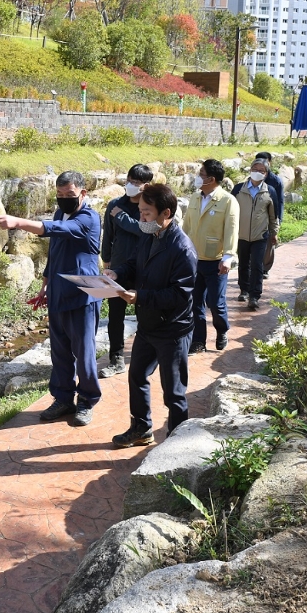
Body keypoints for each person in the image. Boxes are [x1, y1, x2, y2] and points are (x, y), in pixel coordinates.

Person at [0, 171, 102, 427]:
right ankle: (63, 399)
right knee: (60, 352)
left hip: (82, 296)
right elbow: (54, 251)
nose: (64, 199)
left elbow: (55, 230)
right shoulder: (59, 212)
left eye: (70, 195)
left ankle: (87, 401)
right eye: (60, 195)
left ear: (83, 193)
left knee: (84, 353)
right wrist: (45, 284)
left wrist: (18, 222)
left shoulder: (89, 218)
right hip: (58, 293)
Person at [103, 183, 197, 447]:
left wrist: (140, 297)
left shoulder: (182, 249)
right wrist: (117, 273)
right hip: (147, 325)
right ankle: (141, 428)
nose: (141, 218)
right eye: (140, 212)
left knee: (174, 392)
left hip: (172, 330)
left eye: (146, 213)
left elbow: (179, 295)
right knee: (136, 376)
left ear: (165, 213)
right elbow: (135, 263)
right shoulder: (149, 235)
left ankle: (177, 445)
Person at [99, 164, 153, 378]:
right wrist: (106, 262)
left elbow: (146, 231)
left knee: (145, 314)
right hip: (118, 270)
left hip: (144, 269)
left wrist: (123, 218)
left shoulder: (148, 206)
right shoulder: (114, 205)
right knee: (115, 317)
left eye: (136, 183)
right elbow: (108, 237)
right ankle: (116, 358)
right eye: (129, 180)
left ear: (146, 186)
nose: (130, 185)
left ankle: (146, 356)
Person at [182, 159, 239, 353]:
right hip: (194, 260)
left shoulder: (228, 200)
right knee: (195, 302)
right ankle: (198, 341)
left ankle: (222, 330)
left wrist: (228, 256)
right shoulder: (195, 198)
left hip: (216, 261)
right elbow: (186, 227)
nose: (198, 178)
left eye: (202, 174)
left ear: (212, 179)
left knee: (215, 302)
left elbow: (232, 229)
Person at [232, 159, 280, 311]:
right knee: (243, 263)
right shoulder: (239, 189)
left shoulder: (270, 191)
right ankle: (244, 290)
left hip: (260, 235)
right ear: (250, 170)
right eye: (255, 169)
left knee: (257, 265)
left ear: (266, 174)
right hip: (241, 234)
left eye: (262, 170)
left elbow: (273, 216)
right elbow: (230, 212)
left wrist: (274, 233)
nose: (257, 172)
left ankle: (254, 296)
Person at [252, 152, 285, 280]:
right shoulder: (251, 179)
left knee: (269, 244)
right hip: (255, 217)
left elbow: (280, 202)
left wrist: (278, 221)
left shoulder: (275, 181)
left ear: (269, 163)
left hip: (270, 216)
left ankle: (265, 268)